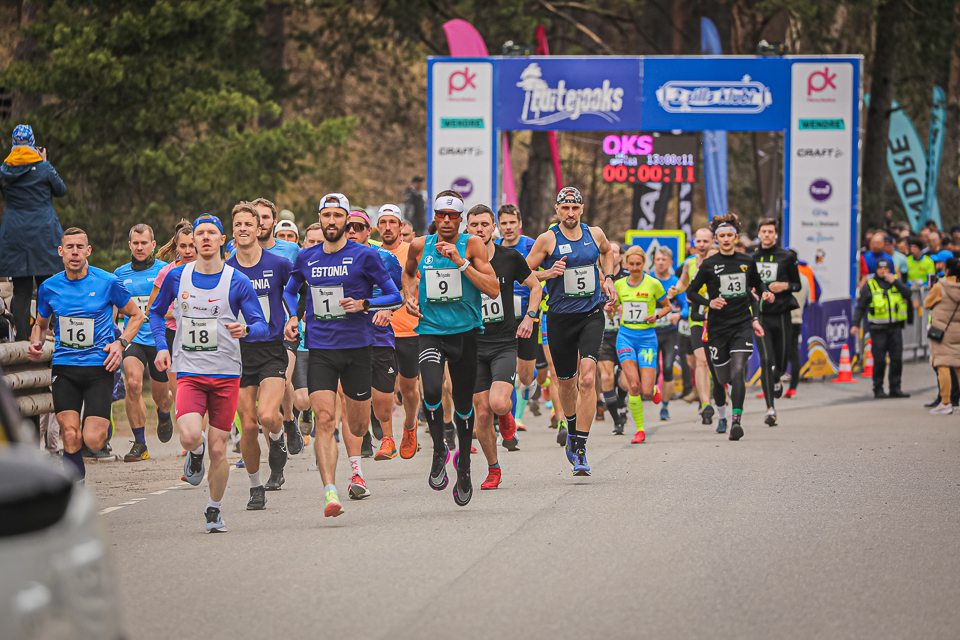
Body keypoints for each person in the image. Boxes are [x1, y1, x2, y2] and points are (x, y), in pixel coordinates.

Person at [283, 193, 402, 517]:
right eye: (327, 215)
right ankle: (330, 490)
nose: (332, 221)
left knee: (358, 422)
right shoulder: (307, 257)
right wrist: (292, 317)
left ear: (346, 219)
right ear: (320, 219)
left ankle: (356, 467)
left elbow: (393, 294)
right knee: (323, 418)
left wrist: (366, 304)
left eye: (338, 216)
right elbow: (290, 290)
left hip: (358, 348)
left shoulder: (364, 256)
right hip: (321, 349)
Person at [150, 214, 270, 533]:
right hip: (189, 370)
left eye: (211, 233)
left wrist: (245, 328)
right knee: (190, 435)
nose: (204, 238)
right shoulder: (177, 277)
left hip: (226, 374)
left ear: (222, 241)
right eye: (199, 233)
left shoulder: (237, 281)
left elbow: (261, 324)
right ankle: (196, 450)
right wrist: (162, 347)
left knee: (220, 449)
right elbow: (155, 312)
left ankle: (214, 509)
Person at [402, 191, 499, 505]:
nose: (445, 221)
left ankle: (466, 466)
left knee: (462, 403)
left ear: (460, 219)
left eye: (452, 216)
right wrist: (410, 295)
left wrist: (461, 264)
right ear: (434, 217)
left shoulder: (473, 246)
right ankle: (440, 448)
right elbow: (407, 273)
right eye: (441, 215)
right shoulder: (420, 245)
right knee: (430, 389)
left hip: (466, 333)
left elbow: (493, 289)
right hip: (430, 332)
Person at [28, 227, 144, 484]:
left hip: (98, 368)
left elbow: (136, 315)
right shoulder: (50, 287)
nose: (75, 252)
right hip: (64, 368)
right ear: (61, 252)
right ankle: (75, 489)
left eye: (80, 247)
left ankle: (90, 425)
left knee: (93, 439)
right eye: (69, 247)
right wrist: (36, 342)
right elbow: (40, 324)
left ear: (88, 250)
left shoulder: (108, 282)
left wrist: (120, 343)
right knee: (70, 435)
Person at [525, 187, 617, 475]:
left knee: (588, 378)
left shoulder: (595, 234)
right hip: (560, 318)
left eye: (574, 208)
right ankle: (571, 424)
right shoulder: (548, 239)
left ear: (582, 208)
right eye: (564, 208)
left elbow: (607, 253)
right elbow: (524, 274)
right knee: (567, 384)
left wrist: (609, 278)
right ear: (556, 210)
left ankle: (580, 445)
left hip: (591, 315)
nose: (570, 213)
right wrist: (548, 273)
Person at [226, 203, 297, 509]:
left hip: (270, 350)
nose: (243, 229)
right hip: (237, 354)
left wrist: (295, 317)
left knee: (267, 416)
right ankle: (256, 486)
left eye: (248, 224)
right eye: (237, 224)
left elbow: (296, 291)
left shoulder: (279, 264)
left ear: (259, 229)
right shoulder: (225, 269)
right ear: (233, 232)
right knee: (249, 425)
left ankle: (279, 436)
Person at [466, 204, 541, 489]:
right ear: (468, 228)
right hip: (472, 344)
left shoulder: (510, 257)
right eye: (475, 225)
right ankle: (493, 468)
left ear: (493, 227)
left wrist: (531, 317)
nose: (480, 230)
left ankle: (507, 414)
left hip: (503, 343)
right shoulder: (462, 261)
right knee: (481, 412)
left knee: (497, 403)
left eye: (485, 224)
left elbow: (535, 286)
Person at [686, 213, 774, 441]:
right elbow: (691, 292)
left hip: (741, 324)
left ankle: (736, 419)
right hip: (717, 328)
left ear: (736, 237)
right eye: (722, 236)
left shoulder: (746, 261)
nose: (726, 239)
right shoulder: (709, 264)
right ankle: (722, 416)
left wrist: (764, 291)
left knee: (738, 373)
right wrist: (709, 302)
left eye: (730, 235)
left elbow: (756, 283)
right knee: (720, 378)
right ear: (717, 239)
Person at [344, 209, 403, 468]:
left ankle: (387, 437)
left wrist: (388, 310)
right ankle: (357, 456)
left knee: (381, 397)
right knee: (353, 397)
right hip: (346, 339)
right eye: (348, 227)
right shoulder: (333, 259)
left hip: (380, 336)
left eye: (358, 227)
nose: (352, 232)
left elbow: (402, 289)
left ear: (370, 231)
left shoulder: (385, 257)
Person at [0, 125, 67, 341]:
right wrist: (44, 162)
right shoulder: (44, 168)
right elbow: (60, 190)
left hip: (14, 232)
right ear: (33, 144)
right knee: (46, 285)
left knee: (21, 289)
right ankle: (44, 332)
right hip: (43, 231)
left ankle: (22, 338)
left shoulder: (3, 170)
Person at [114, 224, 172, 462]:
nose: (139, 247)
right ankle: (140, 443)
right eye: (135, 243)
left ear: (153, 245)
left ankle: (164, 413)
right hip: (134, 338)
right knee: (133, 384)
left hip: (159, 339)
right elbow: (115, 309)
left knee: (161, 397)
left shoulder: (165, 271)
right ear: (130, 245)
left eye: (144, 243)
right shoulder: (119, 274)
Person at [606, 246, 671, 444]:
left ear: (644, 264)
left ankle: (654, 391)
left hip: (647, 338)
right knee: (633, 385)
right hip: (625, 336)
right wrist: (610, 310)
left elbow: (667, 305)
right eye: (631, 264)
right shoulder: (619, 284)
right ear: (625, 264)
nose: (634, 268)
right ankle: (640, 430)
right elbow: (611, 311)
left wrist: (657, 315)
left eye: (638, 264)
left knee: (646, 391)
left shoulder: (653, 284)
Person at [375, 205, 422, 459]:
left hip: (409, 330)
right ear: (377, 227)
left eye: (392, 222)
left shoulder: (412, 251)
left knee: (409, 389)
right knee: (382, 388)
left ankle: (410, 426)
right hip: (380, 332)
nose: (388, 227)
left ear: (401, 226)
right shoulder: (372, 254)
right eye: (383, 222)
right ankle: (387, 438)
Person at [750, 218, 801, 427]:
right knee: (766, 360)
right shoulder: (751, 257)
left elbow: (797, 284)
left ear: (776, 234)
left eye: (771, 231)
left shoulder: (786, 257)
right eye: (764, 231)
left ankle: (779, 377)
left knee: (780, 361)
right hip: (760, 316)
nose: (767, 235)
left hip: (781, 315)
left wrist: (784, 285)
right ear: (759, 234)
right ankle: (770, 409)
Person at [495, 204, 541, 429]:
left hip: (527, 315)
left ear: (520, 224)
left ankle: (530, 381)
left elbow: (539, 274)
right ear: (498, 226)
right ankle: (510, 418)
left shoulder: (531, 245)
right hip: (501, 315)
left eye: (512, 222)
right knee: (506, 372)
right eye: (504, 223)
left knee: (524, 377)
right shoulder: (493, 247)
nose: (508, 227)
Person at [672, 228, 718, 425]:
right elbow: (683, 283)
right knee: (702, 361)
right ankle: (705, 403)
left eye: (705, 241)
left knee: (716, 363)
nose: (701, 245)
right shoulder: (690, 263)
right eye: (697, 241)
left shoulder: (720, 261)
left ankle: (717, 392)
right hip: (697, 317)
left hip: (719, 318)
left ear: (712, 242)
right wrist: (674, 290)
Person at [851, 257, 912, 399]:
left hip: (895, 328)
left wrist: (895, 281)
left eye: (886, 269)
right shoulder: (870, 286)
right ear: (876, 270)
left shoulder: (895, 283)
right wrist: (855, 324)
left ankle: (895, 388)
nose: (883, 271)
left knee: (896, 359)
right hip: (878, 329)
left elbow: (908, 294)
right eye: (880, 269)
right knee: (879, 361)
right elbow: (861, 307)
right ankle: (878, 388)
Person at [651, 246, 688, 422]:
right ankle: (653, 392)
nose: (660, 263)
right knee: (653, 370)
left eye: (663, 260)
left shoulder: (675, 282)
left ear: (670, 262)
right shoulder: (648, 280)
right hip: (650, 332)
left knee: (667, 368)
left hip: (670, 333)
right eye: (657, 259)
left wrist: (679, 314)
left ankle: (665, 406)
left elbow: (687, 306)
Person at [599, 242, 628, 434]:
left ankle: (621, 399)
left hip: (626, 335)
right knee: (606, 376)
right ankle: (617, 419)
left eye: (615, 252)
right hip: (604, 335)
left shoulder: (629, 276)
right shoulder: (594, 276)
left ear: (620, 256)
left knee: (625, 382)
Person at [925, 258, 960, 414]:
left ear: (947, 271)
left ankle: (945, 402)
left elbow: (927, 303)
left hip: (943, 332)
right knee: (958, 365)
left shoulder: (941, 287)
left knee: (943, 364)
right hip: (958, 332)